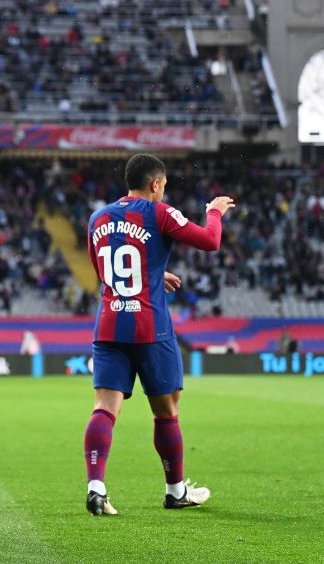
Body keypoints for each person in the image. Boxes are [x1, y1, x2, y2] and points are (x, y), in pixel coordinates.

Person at [82, 153, 234, 516]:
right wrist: (214, 211)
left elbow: (104, 268)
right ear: (155, 184)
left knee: (104, 408)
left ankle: (96, 486)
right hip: (150, 327)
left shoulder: (98, 217)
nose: (163, 192)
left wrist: (151, 274)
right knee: (166, 411)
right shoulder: (159, 213)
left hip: (109, 324)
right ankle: (175, 490)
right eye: (163, 186)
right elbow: (210, 241)